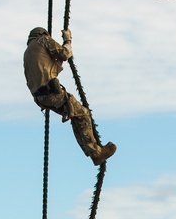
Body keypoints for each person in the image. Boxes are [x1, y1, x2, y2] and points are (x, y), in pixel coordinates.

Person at [23, 26, 116, 167]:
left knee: (75, 116)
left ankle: (92, 152)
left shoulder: (28, 52)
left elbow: (49, 68)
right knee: (83, 114)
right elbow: (65, 54)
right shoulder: (43, 40)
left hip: (41, 98)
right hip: (52, 93)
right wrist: (68, 40)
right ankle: (96, 153)